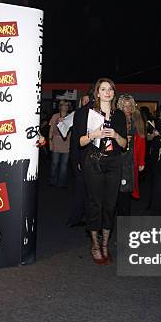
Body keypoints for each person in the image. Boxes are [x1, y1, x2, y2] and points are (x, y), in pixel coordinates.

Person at [75, 78, 127, 264]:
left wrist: (116, 135)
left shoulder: (119, 115)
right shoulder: (86, 113)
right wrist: (94, 135)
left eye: (110, 89)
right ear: (97, 92)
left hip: (114, 163)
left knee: (110, 204)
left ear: (114, 93)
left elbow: (124, 144)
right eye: (103, 89)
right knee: (95, 203)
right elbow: (79, 142)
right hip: (93, 162)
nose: (107, 92)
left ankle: (105, 244)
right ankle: (95, 245)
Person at [116, 94, 146, 216]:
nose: (127, 109)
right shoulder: (116, 118)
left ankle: (125, 217)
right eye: (124, 106)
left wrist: (141, 161)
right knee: (115, 189)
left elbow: (142, 141)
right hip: (116, 158)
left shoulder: (137, 119)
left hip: (130, 159)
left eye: (129, 106)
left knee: (127, 190)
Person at [67, 93, 92, 227]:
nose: (87, 102)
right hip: (78, 155)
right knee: (80, 188)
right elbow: (75, 139)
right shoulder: (78, 114)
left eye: (89, 100)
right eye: (85, 101)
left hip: (87, 157)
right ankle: (76, 217)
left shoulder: (93, 116)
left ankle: (85, 216)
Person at [48, 100, 71, 187]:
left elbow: (72, 131)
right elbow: (51, 130)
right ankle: (52, 181)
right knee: (54, 163)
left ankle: (61, 183)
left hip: (67, 142)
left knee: (64, 165)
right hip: (56, 142)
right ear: (60, 106)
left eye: (66, 105)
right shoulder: (55, 116)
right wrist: (50, 142)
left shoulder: (70, 117)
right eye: (63, 105)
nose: (65, 107)